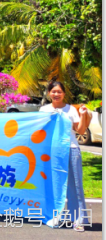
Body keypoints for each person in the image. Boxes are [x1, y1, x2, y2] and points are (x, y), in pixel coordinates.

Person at [40, 81, 91, 231]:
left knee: (75, 186)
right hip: (51, 153)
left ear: (64, 93)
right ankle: (55, 217)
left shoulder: (71, 110)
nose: (56, 94)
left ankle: (79, 220)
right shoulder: (43, 110)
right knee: (53, 185)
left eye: (59, 92)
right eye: (53, 91)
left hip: (71, 150)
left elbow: (80, 131)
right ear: (49, 93)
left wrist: (83, 116)